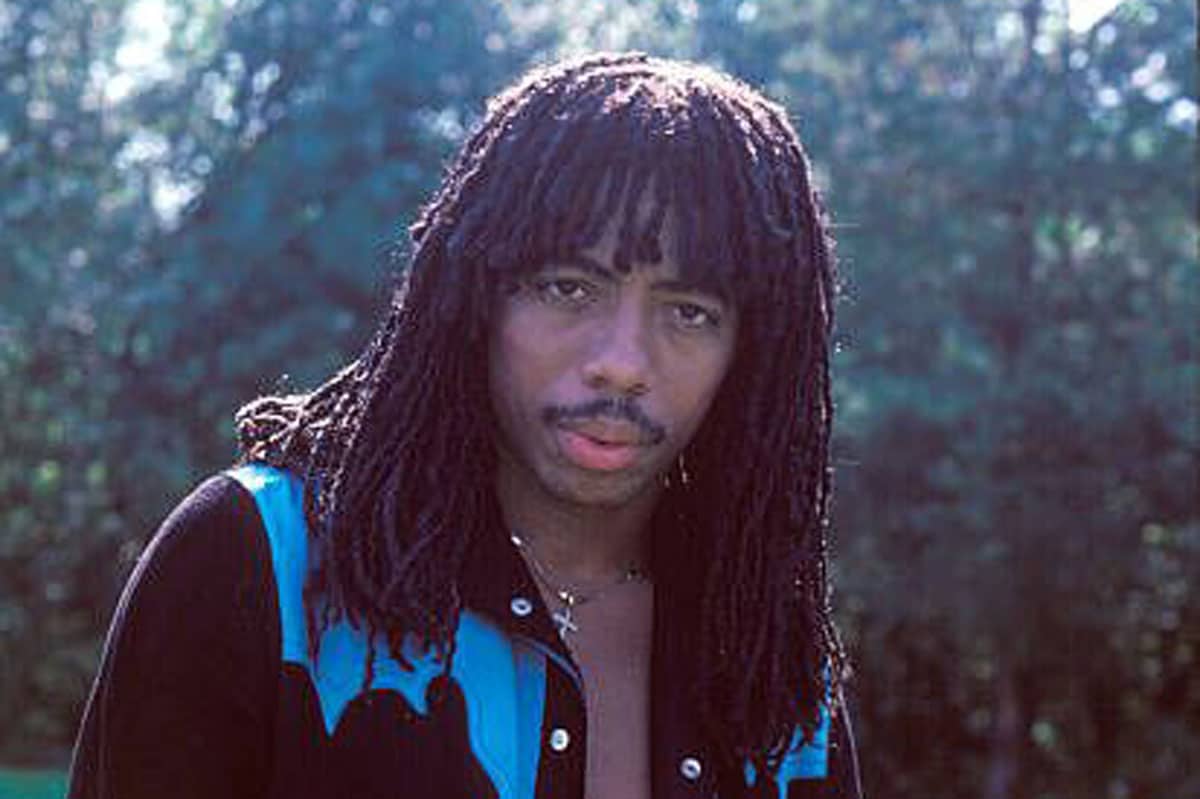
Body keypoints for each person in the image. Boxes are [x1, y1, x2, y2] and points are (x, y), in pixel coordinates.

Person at [68, 52, 864, 799]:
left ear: (750, 355)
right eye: (568, 288)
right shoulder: (259, 560)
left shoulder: (761, 644)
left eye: (690, 312)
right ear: (476, 296)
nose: (622, 361)